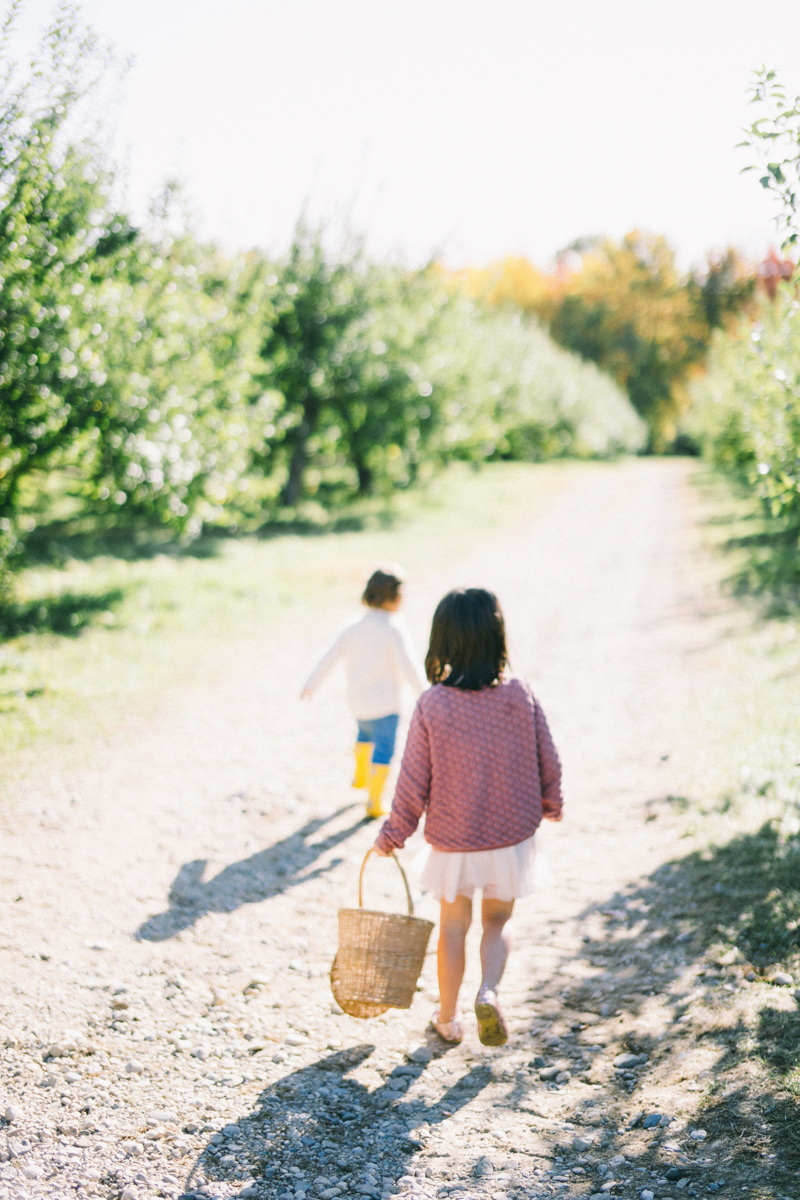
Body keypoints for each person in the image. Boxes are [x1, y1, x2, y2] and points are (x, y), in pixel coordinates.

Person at [373, 587, 562, 1047]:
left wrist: (393, 832)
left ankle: (446, 1016)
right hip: (510, 838)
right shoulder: (519, 694)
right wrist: (551, 801)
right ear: (497, 636)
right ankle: (489, 991)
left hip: (455, 841)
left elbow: (412, 782)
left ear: (443, 642)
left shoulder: (433, 704)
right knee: (497, 921)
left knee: (453, 926)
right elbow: (548, 757)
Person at [301, 566, 427, 819]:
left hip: (357, 702)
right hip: (386, 704)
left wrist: (311, 684)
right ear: (393, 596)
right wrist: (426, 693)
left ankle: (360, 776)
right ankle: (375, 800)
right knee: (384, 748)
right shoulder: (393, 628)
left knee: (364, 734)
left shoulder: (353, 626)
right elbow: (408, 666)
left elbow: (329, 657)